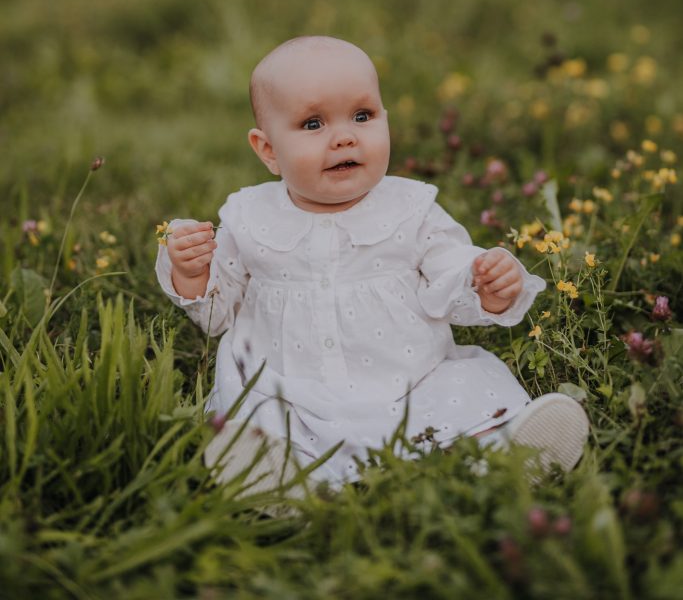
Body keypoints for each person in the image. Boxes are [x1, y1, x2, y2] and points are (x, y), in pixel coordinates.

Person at [156, 36, 589, 491]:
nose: (345, 136)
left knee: (462, 399)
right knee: (267, 424)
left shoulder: (410, 208)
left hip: (410, 383)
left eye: (362, 116)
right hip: (289, 390)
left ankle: (502, 457)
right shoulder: (249, 218)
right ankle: (285, 481)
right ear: (267, 150)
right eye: (312, 123)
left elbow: (451, 271)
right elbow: (217, 313)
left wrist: (486, 283)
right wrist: (193, 272)